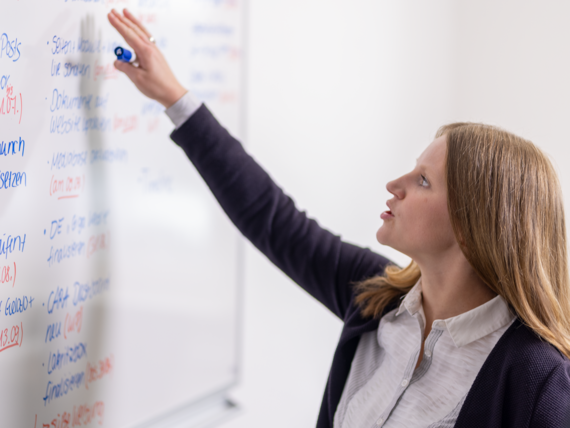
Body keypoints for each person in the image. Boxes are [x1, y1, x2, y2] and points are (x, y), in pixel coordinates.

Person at [108, 9, 570, 427]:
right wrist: (174, 97)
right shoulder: (376, 297)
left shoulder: (537, 377)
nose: (396, 184)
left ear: (472, 226)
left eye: (423, 180)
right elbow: (271, 218)